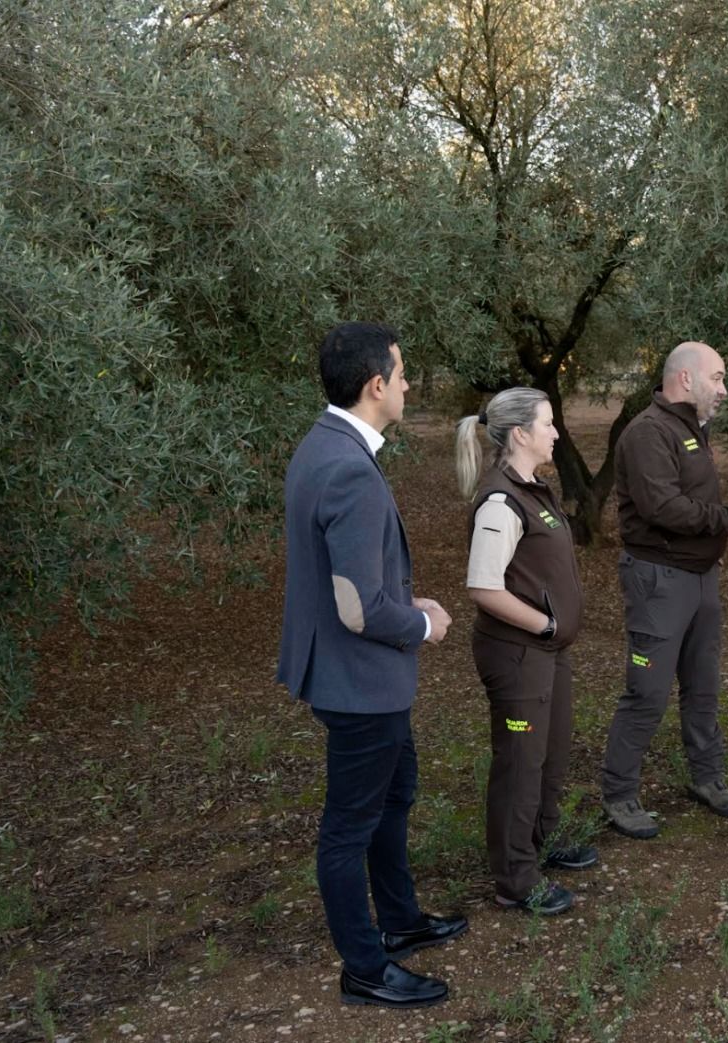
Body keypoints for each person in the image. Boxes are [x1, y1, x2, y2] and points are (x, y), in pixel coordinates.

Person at [276, 322, 466, 1009]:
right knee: (348, 827)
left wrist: (401, 600)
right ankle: (364, 967)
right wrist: (422, 623)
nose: (410, 385)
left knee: (395, 792)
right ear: (376, 384)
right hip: (360, 682)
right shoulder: (349, 468)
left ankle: (400, 919)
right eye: (403, 373)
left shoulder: (323, 444)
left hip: (356, 675)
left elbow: (346, 578)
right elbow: (357, 609)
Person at [600, 341, 728, 838]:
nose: (724, 389)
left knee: (703, 686)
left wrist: (713, 541)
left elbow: (688, 501)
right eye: (717, 378)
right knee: (648, 692)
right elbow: (662, 508)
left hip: (701, 579)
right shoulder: (648, 432)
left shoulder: (690, 427)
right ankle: (619, 793)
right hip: (659, 582)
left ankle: (707, 778)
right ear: (685, 379)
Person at [456, 387, 595, 917]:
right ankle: (515, 879)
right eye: (548, 423)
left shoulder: (533, 489)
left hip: (547, 652)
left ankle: (541, 842)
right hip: (519, 655)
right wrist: (546, 624)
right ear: (520, 433)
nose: (556, 433)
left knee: (550, 754)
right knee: (520, 764)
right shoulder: (501, 501)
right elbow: (483, 587)